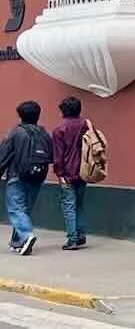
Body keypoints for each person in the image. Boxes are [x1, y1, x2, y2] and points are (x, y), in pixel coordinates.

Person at [0, 101, 51, 256]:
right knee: (24, 210)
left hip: (17, 175)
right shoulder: (43, 133)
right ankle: (18, 242)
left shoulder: (16, 132)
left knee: (16, 208)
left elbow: (4, 155)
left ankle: (26, 235)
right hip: (38, 176)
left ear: (20, 116)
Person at [51, 97, 89, 250]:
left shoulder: (59, 129)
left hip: (67, 172)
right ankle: (80, 234)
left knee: (68, 206)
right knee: (79, 203)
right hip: (84, 170)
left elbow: (58, 156)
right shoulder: (86, 126)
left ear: (62, 110)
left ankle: (72, 238)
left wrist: (59, 173)